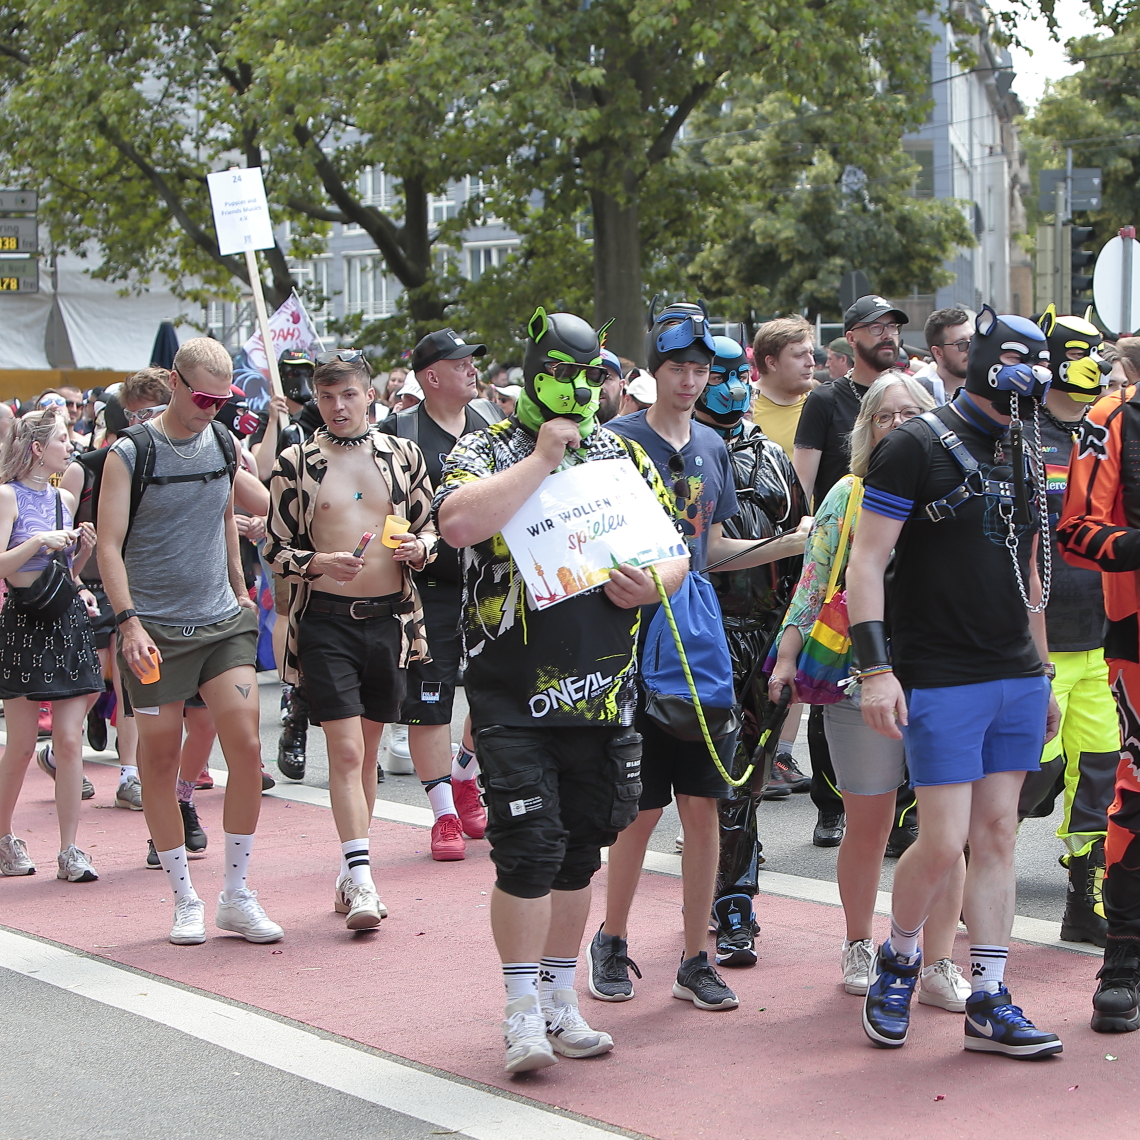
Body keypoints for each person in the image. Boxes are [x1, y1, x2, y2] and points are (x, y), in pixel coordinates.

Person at [435, 305, 687, 1073]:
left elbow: (675, 555)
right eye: (561, 376)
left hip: (602, 690)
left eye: (590, 378)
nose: (577, 391)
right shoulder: (485, 447)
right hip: (511, 689)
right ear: (534, 374)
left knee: (579, 852)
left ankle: (558, 1000)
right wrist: (542, 459)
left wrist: (652, 585)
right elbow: (455, 525)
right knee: (528, 850)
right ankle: (518, 1013)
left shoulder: (621, 455)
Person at [846, 307, 1063, 1058]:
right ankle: (900, 957)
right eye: (1002, 357)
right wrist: (877, 670)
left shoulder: (1027, 443)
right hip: (937, 670)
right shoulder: (911, 444)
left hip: (1014, 671)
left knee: (1000, 831)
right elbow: (866, 560)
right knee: (940, 840)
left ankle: (991, 996)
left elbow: (1031, 570)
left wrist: (1044, 671)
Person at [595, 300, 810, 1013]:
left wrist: (792, 544)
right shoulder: (613, 443)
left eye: (700, 368)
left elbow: (708, 552)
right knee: (640, 811)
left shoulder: (715, 451)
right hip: (627, 644)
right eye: (679, 368)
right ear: (654, 372)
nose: (690, 381)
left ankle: (695, 955)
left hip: (700, 644)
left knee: (706, 806)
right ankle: (613, 940)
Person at [770, 374, 970, 1007]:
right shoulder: (848, 493)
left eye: (914, 414)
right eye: (888, 417)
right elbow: (813, 579)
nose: (901, 425)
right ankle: (860, 942)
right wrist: (788, 656)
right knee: (869, 822)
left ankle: (938, 962)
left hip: (940, 676)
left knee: (946, 828)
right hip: (861, 680)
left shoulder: (952, 487)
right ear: (867, 429)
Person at [99, 336, 282, 947]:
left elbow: (238, 508)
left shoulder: (225, 440)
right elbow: (107, 544)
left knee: (248, 746)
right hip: (153, 629)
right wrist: (127, 623)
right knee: (157, 757)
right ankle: (184, 897)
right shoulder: (133, 453)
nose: (212, 408)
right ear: (174, 383)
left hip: (219, 622)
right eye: (203, 396)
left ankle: (236, 894)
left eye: (223, 398)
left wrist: (238, 582)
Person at [267, 350, 437, 929]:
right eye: (326, 397)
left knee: (364, 756)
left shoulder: (403, 455)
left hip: (390, 620)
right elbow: (275, 549)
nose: (337, 407)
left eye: (348, 395)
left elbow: (428, 526)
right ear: (316, 399)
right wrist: (316, 563)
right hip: (326, 623)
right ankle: (363, 883)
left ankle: (351, 872)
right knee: (343, 751)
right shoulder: (296, 462)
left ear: (369, 395)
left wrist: (421, 548)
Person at [693, 336, 810, 967]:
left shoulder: (770, 455)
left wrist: (796, 634)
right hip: (707, 628)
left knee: (754, 767)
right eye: (723, 374)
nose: (735, 386)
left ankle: (736, 876)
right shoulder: (687, 452)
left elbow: (805, 550)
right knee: (724, 771)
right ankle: (733, 897)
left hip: (767, 626)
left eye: (742, 374)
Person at [794, 295, 916, 850]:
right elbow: (805, 480)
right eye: (876, 326)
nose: (888, 334)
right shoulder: (826, 400)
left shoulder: (937, 477)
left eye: (894, 325)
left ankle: (905, 814)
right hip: (841, 561)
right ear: (852, 335)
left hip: (919, 637)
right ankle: (830, 803)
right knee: (831, 699)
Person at [378, 328, 502, 860]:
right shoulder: (399, 430)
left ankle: (465, 774)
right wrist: (398, 542)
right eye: (462, 363)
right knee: (429, 705)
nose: (473, 370)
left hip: (491, 583)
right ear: (431, 376)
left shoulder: (492, 426)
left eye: (474, 362)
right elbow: (379, 506)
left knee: (495, 694)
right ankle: (444, 815)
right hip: (426, 589)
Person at [1016, 313, 1119, 948]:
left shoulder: (1106, 436)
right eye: (1080, 354)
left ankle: (1086, 894)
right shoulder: (1018, 437)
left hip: (1103, 641)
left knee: (1101, 774)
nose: (1095, 365)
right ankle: (968, 874)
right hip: (1037, 643)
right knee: (1026, 779)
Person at [1057, 356, 1140, 1032]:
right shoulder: (1112, 417)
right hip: (1135, 640)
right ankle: (1121, 964)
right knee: (1135, 794)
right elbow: (1076, 530)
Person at [0, 408, 102, 882]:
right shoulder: (7, 496)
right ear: (38, 448)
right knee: (21, 745)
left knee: (68, 740)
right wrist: (38, 540)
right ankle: (4, 838)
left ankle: (70, 849)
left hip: (64, 621)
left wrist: (81, 548)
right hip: (24, 621)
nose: (71, 445)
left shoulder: (64, 497)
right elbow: (2, 564)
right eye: (63, 439)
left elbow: (70, 573)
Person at [251, 348, 322, 782]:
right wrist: (276, 422)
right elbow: (260, 469)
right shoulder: (271, 420)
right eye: (291, 373)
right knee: (290, 615)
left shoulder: (324, 415)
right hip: (287, 535)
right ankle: (291, 697)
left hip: (336, 538)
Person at [750, 316, 816, 460]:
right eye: (799, 355)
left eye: (811, 353)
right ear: (771, 362)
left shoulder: (821, 403)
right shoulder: (744, 407)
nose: (811, 362)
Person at [914, 307, 972, 405]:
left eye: (974, 339)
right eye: (961, 343)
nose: (970, 348)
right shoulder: (916, 396)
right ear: (938, 353)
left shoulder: (992, 387)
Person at [598, 350, 624, 424]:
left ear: (621, 386)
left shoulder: (632, 433)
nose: (600, 386)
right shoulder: (567, 432)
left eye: (608, 378)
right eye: (592, 378)